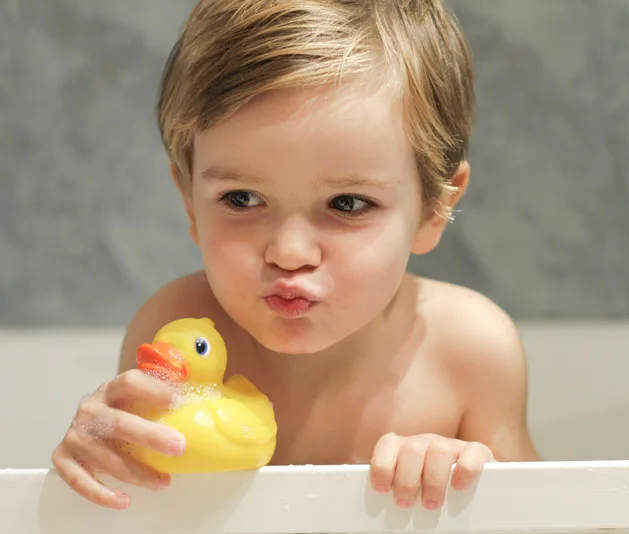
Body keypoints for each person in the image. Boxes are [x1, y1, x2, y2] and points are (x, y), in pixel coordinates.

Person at [51, 0, 540, 512]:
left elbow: (562, 516)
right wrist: (99, 458)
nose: (289, 253)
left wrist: (472, 483)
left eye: (348, 204)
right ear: (188, 197)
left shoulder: (470, 351)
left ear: (436, 206)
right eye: (241, 199)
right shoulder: (174, 327)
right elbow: (146, 510)